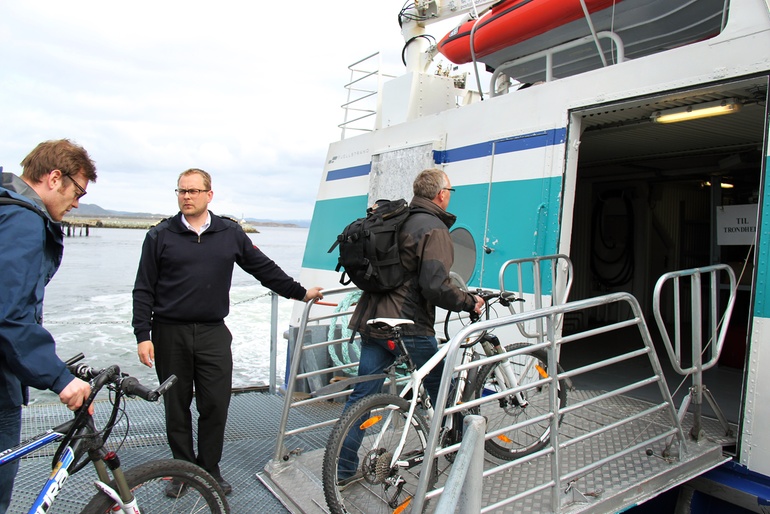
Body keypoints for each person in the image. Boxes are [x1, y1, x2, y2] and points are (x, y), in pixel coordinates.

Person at [132, 168, 323, 497]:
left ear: (209, 195)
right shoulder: (159, 235)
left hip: (213, 333)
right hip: (169, 333)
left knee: (215, 405)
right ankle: (182, 471)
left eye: (193, 191)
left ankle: (209, 469)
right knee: (176, 406)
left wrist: (300, 292)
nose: (186, 197)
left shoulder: (229, 233)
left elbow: (263, 269)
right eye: (181, 191)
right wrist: (142, 335)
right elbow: (143, 288)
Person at [338, 167, 484, 482]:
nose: (449, 196)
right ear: (441, 194)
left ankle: (342, 470)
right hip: (409, 325)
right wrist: (468, 301)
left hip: (373, 320)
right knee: (444, 390)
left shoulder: (397, 218)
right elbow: (435, 286)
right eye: (450, 191)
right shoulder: (433, 228)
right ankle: (460, 456)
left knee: (362, 398)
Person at [0, 139, 97, 513]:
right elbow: (8, 315)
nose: (77, 203)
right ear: (55, 178)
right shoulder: (23, 220)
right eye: (78, 192)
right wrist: (60, 379)